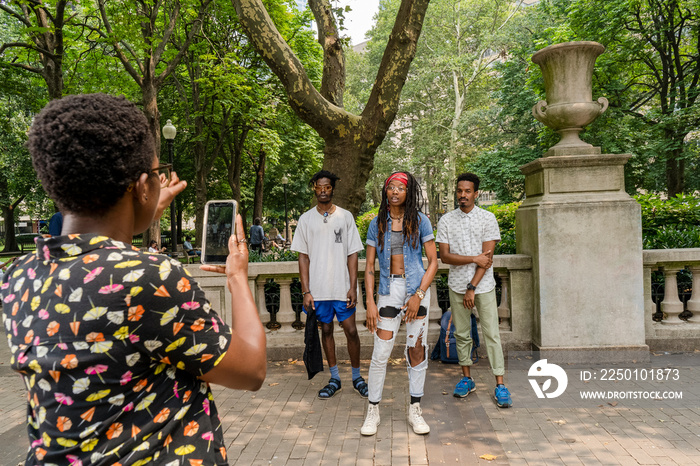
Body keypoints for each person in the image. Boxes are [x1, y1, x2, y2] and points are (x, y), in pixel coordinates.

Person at [0, 93, 267, 465]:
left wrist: (139, 212)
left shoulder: (20, 276)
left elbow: (95, 269)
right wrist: (237, 276)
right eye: (156, 175)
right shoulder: (150, 278)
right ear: (142, 186)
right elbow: (250, 369)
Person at [361, 171, 439, 436]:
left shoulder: (420, 221)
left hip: (416, 289)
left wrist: (418, 294)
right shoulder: (377, 224)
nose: (395, 191)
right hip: (388, 291)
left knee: (416, 350)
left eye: (400, 188)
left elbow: (433, 262)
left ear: (409, 192)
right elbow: (369, 266)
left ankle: (415, 409)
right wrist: (370, 303)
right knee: (381, 352)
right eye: (391, 187)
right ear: (385, 191)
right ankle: (373, 410)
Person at [436, 172, 512, 408]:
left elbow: (486, 260)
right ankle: (466, 378)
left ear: (476, 194)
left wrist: (472, 287)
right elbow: (445, 257)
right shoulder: (447, 220)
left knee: (492, 334)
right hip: (456, 287)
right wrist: (473, 259)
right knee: (461, 335)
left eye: (467, 191)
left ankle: (500, 384)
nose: (462, 195)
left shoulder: (488, 219)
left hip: (484, 287)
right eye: (459, 191)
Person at [291, 170, 366, 399]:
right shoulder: (305, 219)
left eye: (327, 187)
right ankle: (335, 378)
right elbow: (303, 256)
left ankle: (357, 377)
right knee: (327, 331)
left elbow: (353, 254)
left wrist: (353, 287)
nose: (323, 190)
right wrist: (306, 290)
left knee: (351, 331)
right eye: (319, 187)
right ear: (314, 188)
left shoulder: (345, 217)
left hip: (342, 288)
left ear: (333, 189)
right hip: (319, 290)